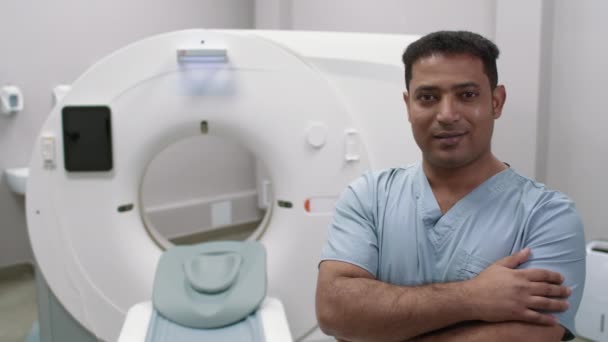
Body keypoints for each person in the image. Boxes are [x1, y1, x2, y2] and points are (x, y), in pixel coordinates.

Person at [316, 30, 586, 341]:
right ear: (408, 105)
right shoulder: (368, 196)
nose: (446, 115)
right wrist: (472, 297)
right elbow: (335, 310)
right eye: (428, 97)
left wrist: (376, 328)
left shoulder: (547, 215)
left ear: (496, 102)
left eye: (467, 95)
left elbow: (531, 335)